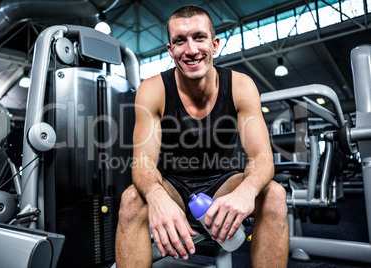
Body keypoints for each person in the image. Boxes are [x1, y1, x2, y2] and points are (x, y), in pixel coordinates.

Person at [115, 4, 289, 267]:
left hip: (223, 184)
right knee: (131, 201)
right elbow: (143, 164)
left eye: (199, 37)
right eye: (180, 41)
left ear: (215, 43)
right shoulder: (152, 90)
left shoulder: (241, 86)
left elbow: (262, 157)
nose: (191, 50)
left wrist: (246, 192)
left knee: (273, 195)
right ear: (170, 49)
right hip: (172, 185)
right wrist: (158, 198)